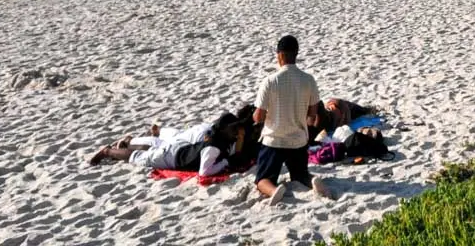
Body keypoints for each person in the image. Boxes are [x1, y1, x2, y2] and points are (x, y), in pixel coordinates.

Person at [253, 35, 334, 204]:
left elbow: (259, 116)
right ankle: (312, 181)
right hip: (298, 140)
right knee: (300, 175)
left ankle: (275, 190)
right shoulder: (309, 80)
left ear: (279, 55)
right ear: (296, 54)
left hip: (274, 141)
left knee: (262, 180)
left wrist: (257, 116)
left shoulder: (270, 81)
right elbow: (312, 114)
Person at [89, 113, 243, 177]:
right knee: (138, 158)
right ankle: (108, 151)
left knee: (152, 151)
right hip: (173, 156)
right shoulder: (213, 146)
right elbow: (204, 172)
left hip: (179, 149)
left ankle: (128, 143)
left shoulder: (214, 136)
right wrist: (224, 162)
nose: (237, 133)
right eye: (234, 129)